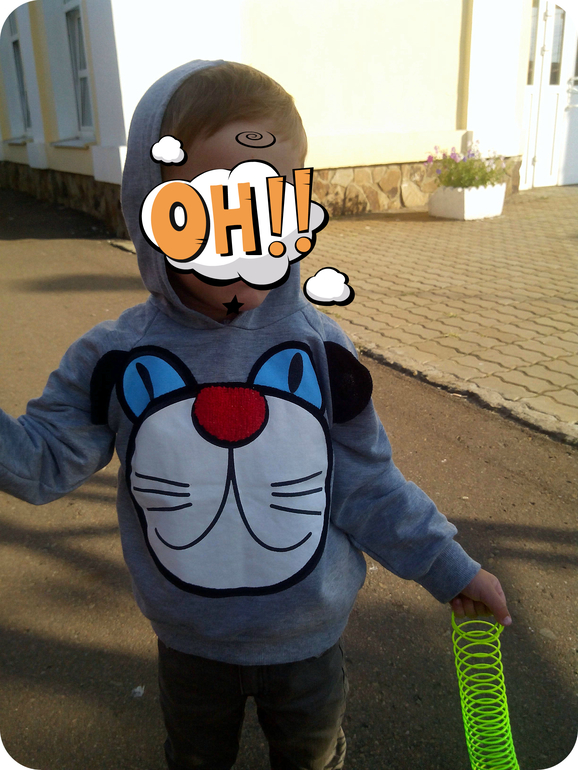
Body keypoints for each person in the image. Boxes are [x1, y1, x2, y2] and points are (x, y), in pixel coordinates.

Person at [0, 59, 512, 770]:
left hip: (307, 643)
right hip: (190, 644)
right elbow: (43, 462)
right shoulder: (114, 357)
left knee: (310, 757)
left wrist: (447, 565)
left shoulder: (319, 347)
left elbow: (367, 483)